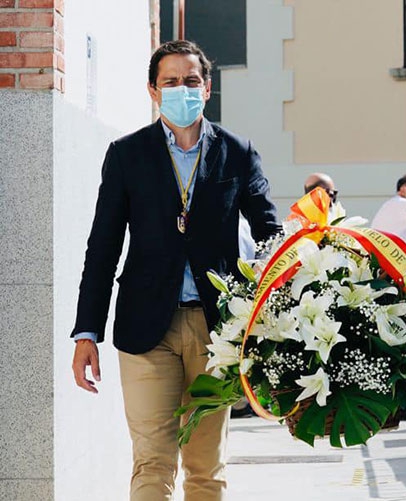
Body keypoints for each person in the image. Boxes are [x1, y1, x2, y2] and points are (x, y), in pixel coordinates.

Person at [70, 40, 281, 500]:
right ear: (153, 90)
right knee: (152, 460)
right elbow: (102, 247)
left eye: (191, 81)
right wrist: (87, 331)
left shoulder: (238, 152)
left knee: (206, 468)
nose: (181, 89)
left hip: (217, 331)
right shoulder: (127, 154)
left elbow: (270, 233)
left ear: (207, 89)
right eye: (170, 82)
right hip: (146, 329)